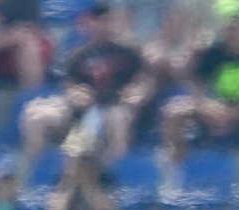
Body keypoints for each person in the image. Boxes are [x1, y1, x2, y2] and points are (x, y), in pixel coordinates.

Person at [20, 2, 152, 162]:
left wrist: (138, 92)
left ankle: (116, 170)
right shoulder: (78, 55)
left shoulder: (130, 52)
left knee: (117, 119)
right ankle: (36, 170)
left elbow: (144, 80)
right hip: (83, 110)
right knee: (36, 116)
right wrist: (74, 94)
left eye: (109, 21)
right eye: (100, 21)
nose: (104, 26)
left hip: (117, 105)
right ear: (90, 23)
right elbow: (69, 85)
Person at [161, 10, 239, 161]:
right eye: (229, 29)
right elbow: (196, 89)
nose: (233, 33)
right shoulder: (213, 53)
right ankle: (177, 163)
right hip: (217, 108)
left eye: (237, 28)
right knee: (174, 111)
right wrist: (207, 106)